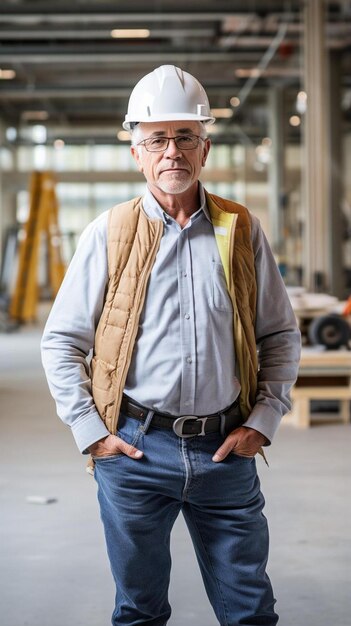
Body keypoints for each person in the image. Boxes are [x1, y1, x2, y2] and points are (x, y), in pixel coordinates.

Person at [41, 65, 301, 626]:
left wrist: (265, 417)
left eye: (185, 137)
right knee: (138, 610)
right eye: (157, 139)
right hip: (134, 450)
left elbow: (279, 333)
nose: (172, 152)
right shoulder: (109, 233)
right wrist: (91, 432)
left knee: (251, 611)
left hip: (225, 448)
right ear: (137, 152)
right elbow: (62, 341)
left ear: (204, 147)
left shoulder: (242, 229)